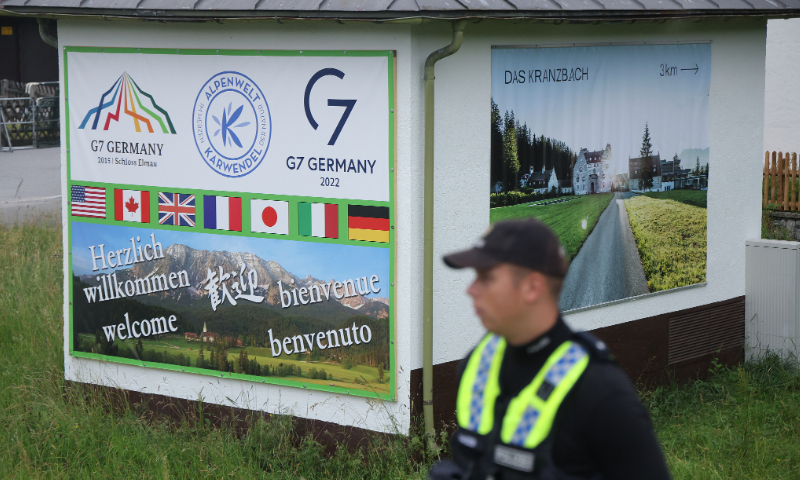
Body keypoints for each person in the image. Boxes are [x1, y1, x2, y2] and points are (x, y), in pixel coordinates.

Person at [428, 219, 671, 480]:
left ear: (532, 288)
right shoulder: (478, 365)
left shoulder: (600, 391)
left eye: (486, 277)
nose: (471, 290)